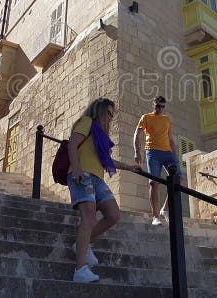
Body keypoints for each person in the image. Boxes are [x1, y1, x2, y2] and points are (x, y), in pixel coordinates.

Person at [68, 97, 140, 283]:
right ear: (98, 110)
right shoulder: (87, 122)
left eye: (112, 115)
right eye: (108, 113)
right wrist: (76, 168)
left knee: (114, 214)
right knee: (89, 215)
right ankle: (80, 269)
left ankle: (81, 244)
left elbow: (107, 161)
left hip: (97, 179)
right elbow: (72, 144)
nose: (110, 117)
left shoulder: (100, 134)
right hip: (82, 173)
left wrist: (129, 167)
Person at [134, 96, 179, 226]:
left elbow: (170, 139)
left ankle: (165, 209)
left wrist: (175, 156)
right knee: (154, 183)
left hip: (167, 153)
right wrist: (137, 151)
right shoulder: (146, 117)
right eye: (157, 106)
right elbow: (137, 134)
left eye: (162, 106)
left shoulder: (167, 120)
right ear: (153, 105)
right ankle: (155, 216)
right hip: (152, 152)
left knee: (178, 179)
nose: (159, 109)